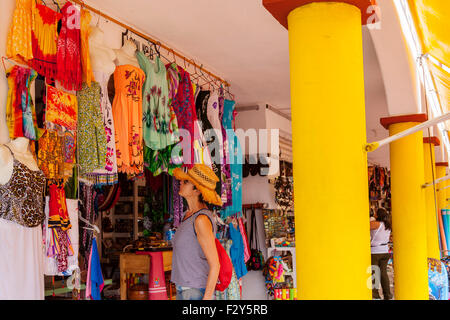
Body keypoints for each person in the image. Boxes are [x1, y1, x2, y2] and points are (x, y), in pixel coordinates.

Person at [171, 164, 222, 300]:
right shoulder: (187, 216)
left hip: (196, 291)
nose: (181, 182)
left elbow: (215, 264)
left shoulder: (201, 220)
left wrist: (206, 298)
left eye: (186, 181)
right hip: (184, 288)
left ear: (197, 190)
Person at [370, 207, 392, 300]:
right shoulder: (387, 225)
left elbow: (362, 225)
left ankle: (375, 296)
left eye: (375, 213)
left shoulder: (376, 224)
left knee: (375, 273)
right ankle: (388, 295)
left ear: (378, 215)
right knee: (383, 274)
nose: (374, 214)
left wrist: (372, 218)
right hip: (385, 251)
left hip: (375, 252)